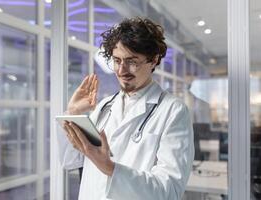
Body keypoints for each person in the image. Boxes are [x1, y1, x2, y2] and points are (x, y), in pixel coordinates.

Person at [60, 17, 194, 200]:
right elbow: (70, 161)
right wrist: (73, 114)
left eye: (132, 61)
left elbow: (169, 191)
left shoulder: (173, 111)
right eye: (117, 60)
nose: (122, 70)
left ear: (153, 60)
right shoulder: (104, 107)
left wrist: (110, 167)